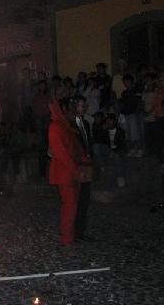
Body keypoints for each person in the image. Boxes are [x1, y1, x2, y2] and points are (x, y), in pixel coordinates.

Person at [48, 99, 85, 247]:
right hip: (65, 173)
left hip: (71, 172)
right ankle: (66, 239)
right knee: (69, 207)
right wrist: (76, 170)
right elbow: (61, 153)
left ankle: (70, 236)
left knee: (71, 206)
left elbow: (74, 148)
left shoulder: (64, 126)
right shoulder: (56, 127)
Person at [71, 96, 95, 241]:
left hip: (86, 165)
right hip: (77, 165)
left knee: (85, 198)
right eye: (81, 105)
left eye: (84, 106)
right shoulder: (70, 124)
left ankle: (81, 231)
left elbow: (88, 143)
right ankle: (75, 231)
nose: (83, 108)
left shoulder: (85, 123)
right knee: (77, 199)